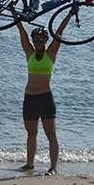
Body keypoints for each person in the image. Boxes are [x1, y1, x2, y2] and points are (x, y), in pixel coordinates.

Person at [14, 12, 73, 175]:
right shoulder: (29, 53)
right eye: (36, 39)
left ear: (46, 41)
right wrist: (15, 16)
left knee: (51, 134)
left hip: (45, 98)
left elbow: (59, 32)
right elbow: (22, 33)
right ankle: (29, 164)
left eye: (42, 39)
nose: (39, 42)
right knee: (31, 133)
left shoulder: (51, 53)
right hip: (30, 99)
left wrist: (70, 14)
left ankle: (53, 168)